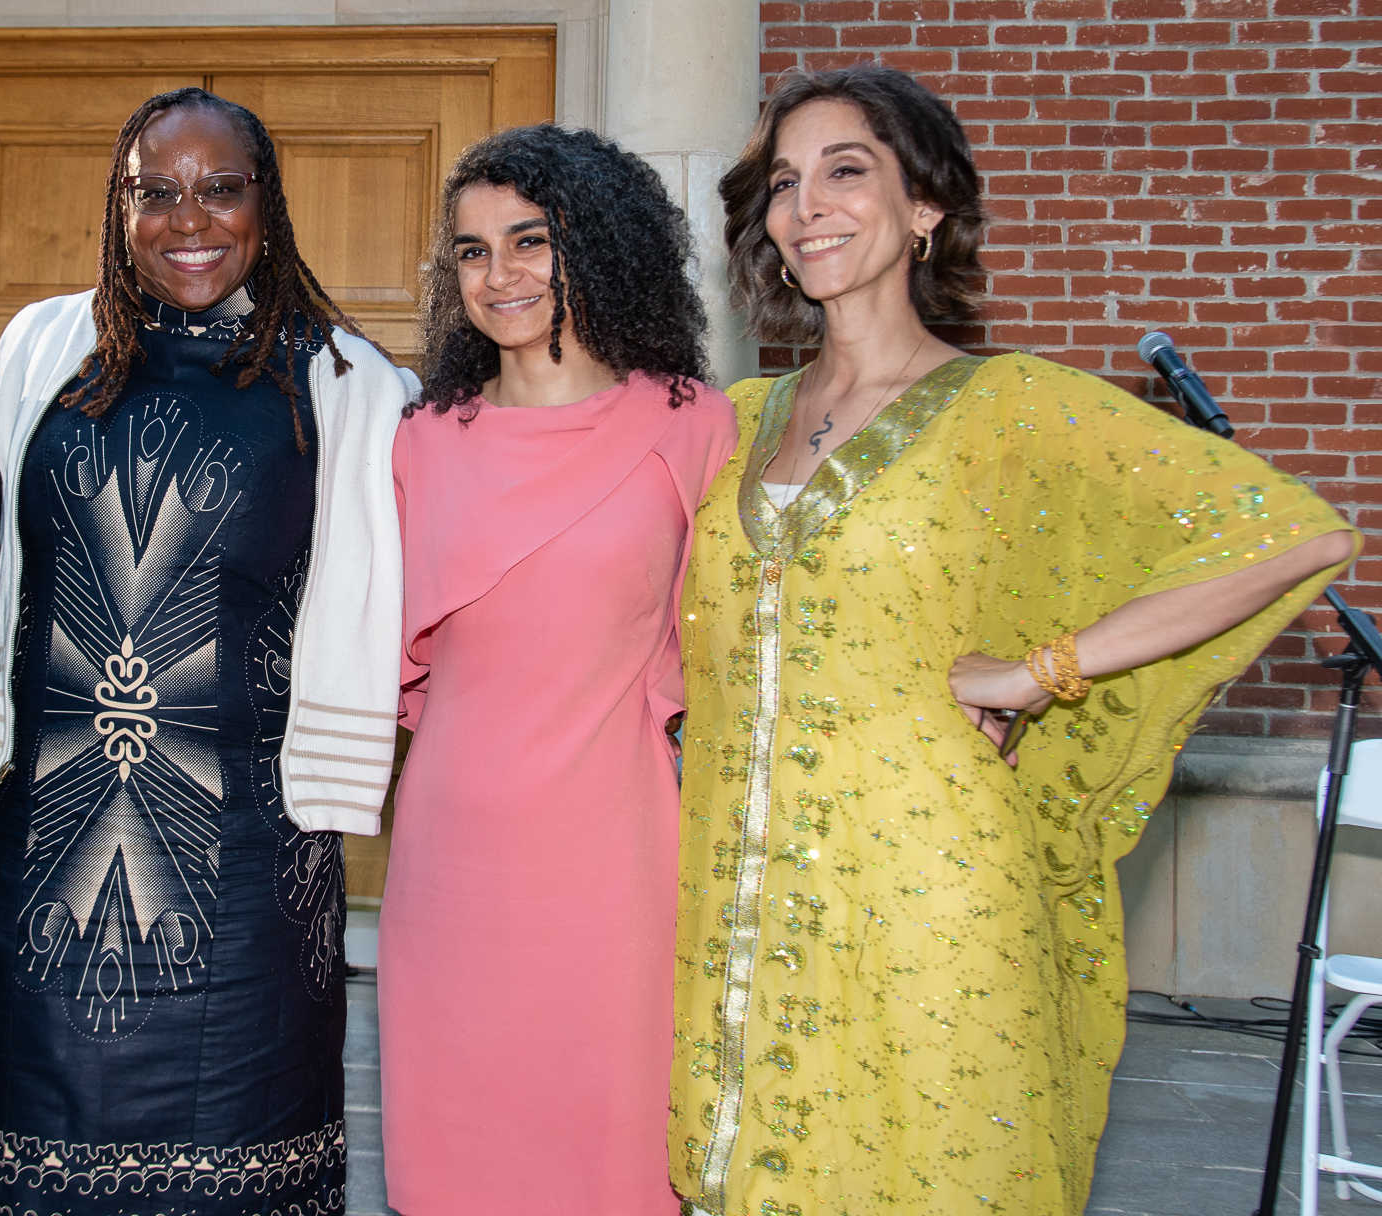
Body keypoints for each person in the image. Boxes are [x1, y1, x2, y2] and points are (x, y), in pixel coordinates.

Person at [669, 64, 1357, 1216]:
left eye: (848, 170)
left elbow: (1290, 536)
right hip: (737, 896)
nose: (808, 205)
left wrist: (1043, 672)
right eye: (784, 182)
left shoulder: (1013, 407)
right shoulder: (733, 423)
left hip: (930, 895)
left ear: (922, 207)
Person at [0, 87, 414, 1216]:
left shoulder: (345, 384)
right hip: (37, 857)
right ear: (117, 209)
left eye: (220, 188)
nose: (187, 218)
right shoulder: (39, 350)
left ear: (267, 203)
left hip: (253, 863)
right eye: (153, 192)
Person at [379, 125, 738, 1216]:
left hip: (611, 859)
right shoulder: (421, 440)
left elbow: (738, 640)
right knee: (457, 1157)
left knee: (607, 1154)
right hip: (448, 857)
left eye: (528, 241)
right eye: (473, 252)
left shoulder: (693, 426)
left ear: (598, 244)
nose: (499, 275)